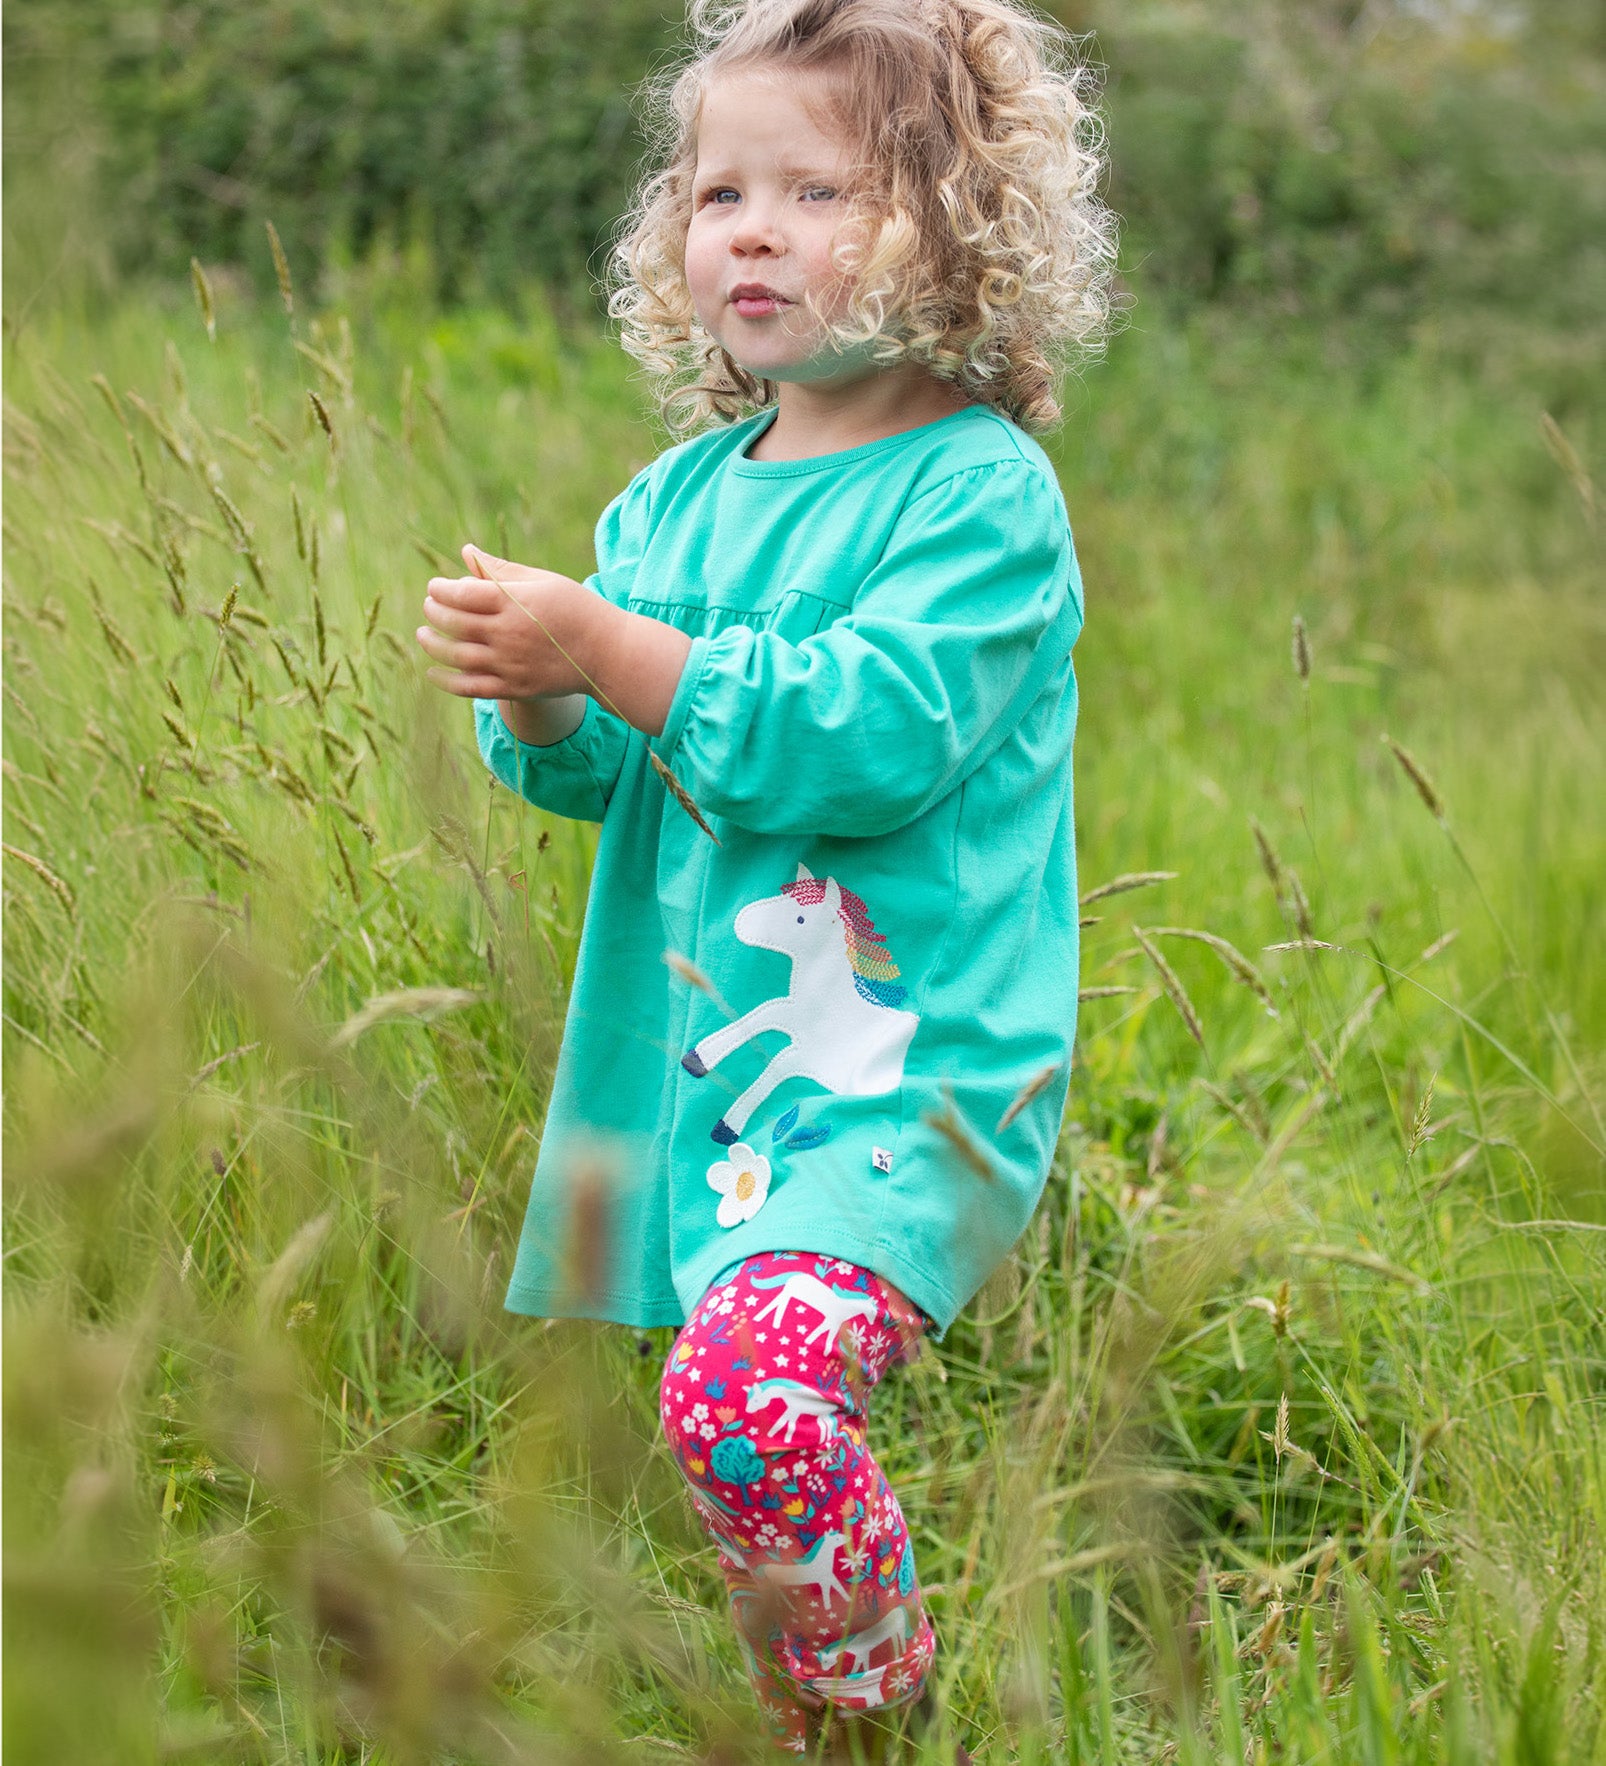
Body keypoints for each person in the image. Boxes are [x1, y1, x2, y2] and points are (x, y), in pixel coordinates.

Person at [415, 0, 1115, 1753]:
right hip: (711, 1075)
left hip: (904, 1071)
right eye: (719, 189)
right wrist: (550, 692)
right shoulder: (669, 505)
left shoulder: (977, 495)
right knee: (730, 1408)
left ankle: (875, 1715)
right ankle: (824, 1706)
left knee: (744, 1391)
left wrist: (617, 649)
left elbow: (858, 740)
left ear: (958, 230)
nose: (750, 226)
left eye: (816, 190)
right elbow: (613, 775)